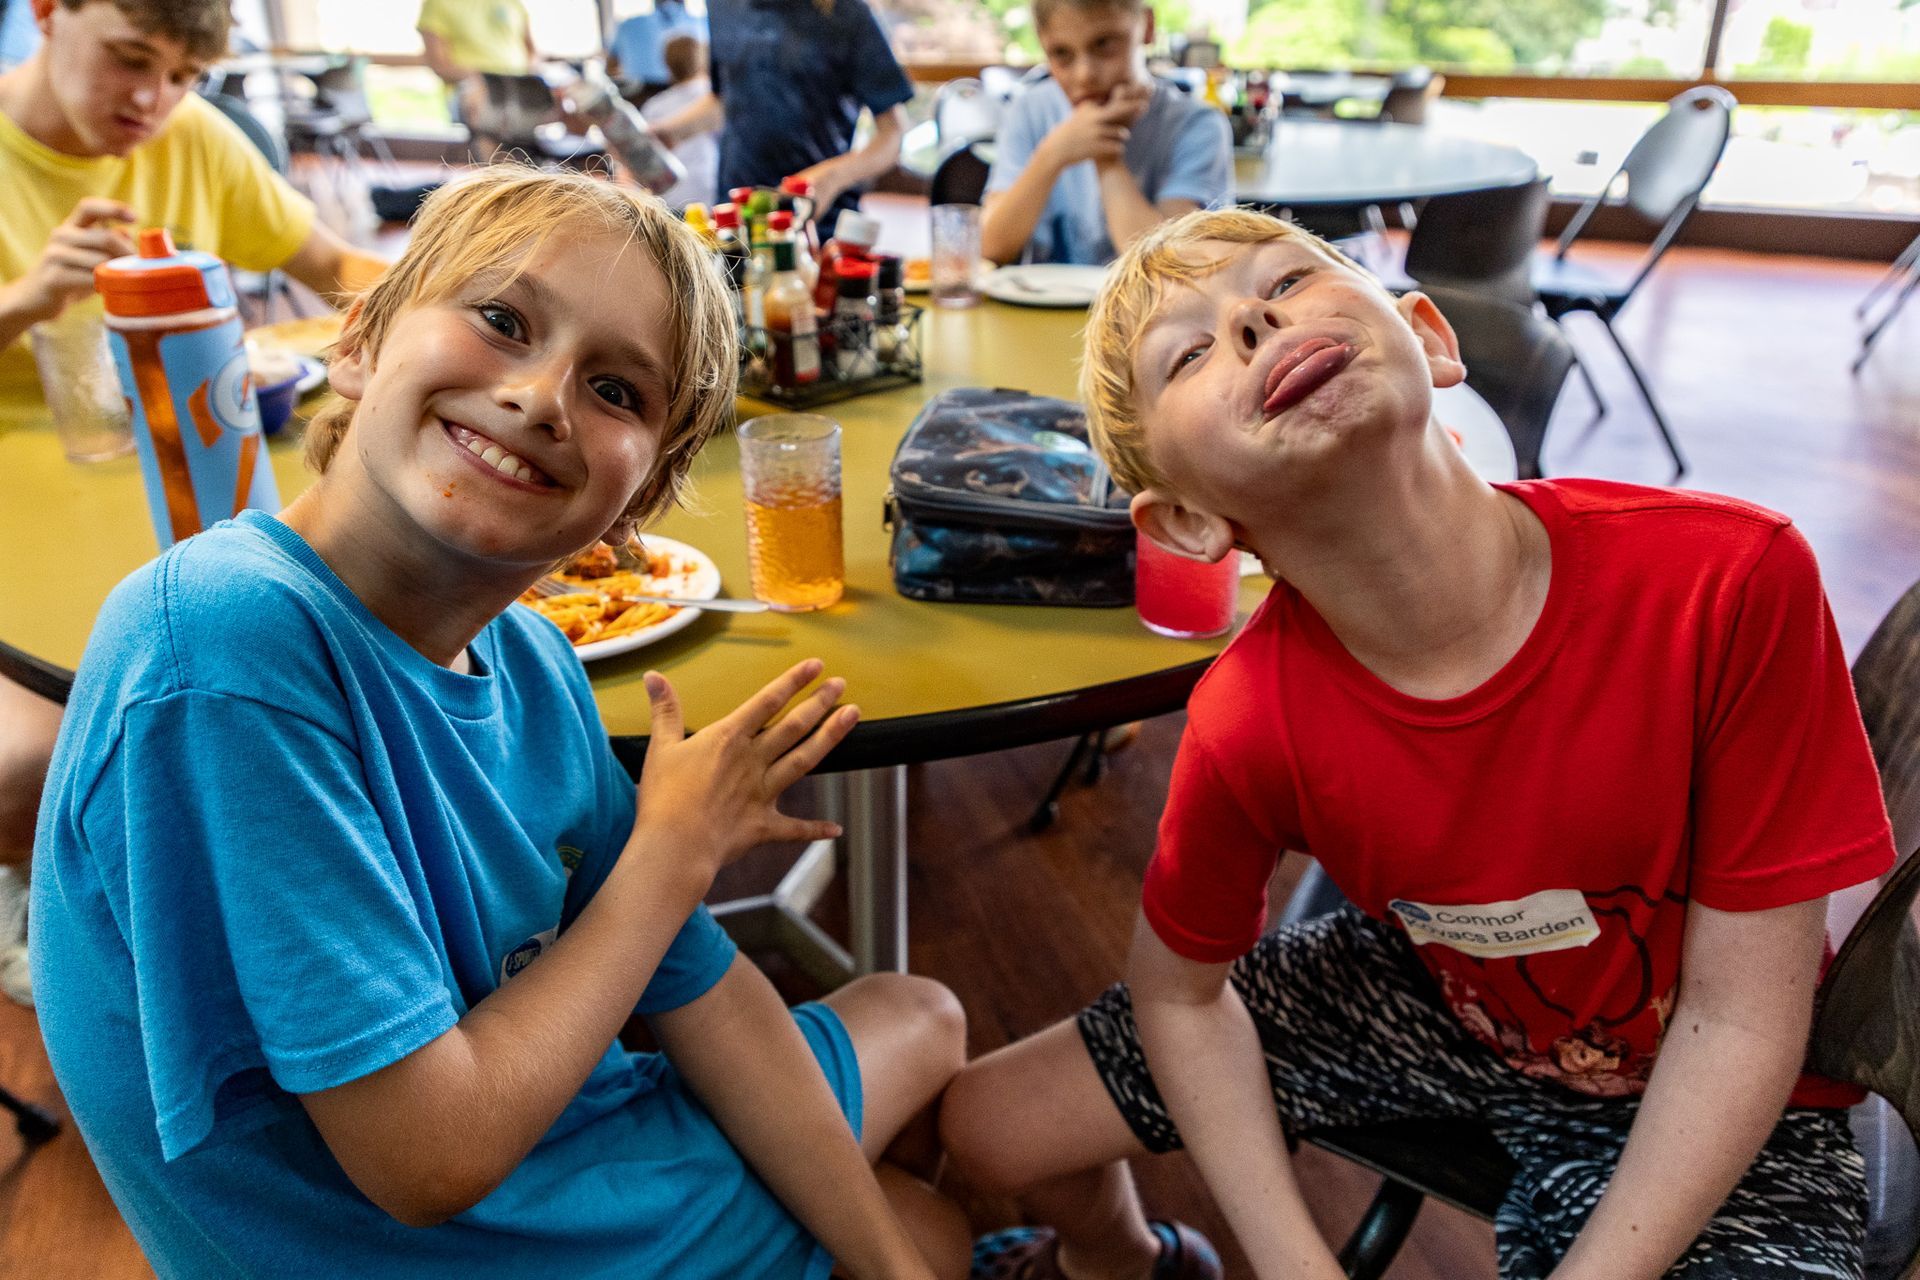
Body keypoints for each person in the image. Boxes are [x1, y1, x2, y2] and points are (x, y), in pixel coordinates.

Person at [31, 166, 972, 1279]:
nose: (541, 395)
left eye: (619, 390)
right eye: (502, 320)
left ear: (636, 503)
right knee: (930, 1210)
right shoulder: (225, 648)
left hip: (564, 1157)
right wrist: (672, 853)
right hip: (443, 1234)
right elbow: (426, 1160)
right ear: (362, 341)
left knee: (922, 1029)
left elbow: (699, 986)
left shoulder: (532, 658)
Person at [939, 206, 1897, 1280]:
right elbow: (1175, 991)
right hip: (1442, 991)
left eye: (1287, 281)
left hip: (1717, 1073)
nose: (1254, 318)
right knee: (985, 1120)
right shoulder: (1250, 717)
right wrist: (1298, 1261)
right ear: (1187, 525)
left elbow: (1738, 1018)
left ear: (1430, 338)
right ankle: (1129, 1258)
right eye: (1192, 351)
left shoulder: (1728, 581)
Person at [0, 0, 385, 1004]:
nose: (152, 99)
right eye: (130, 58)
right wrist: (28, 299)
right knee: (30, 760)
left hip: (176, 498)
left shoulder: (194, 139)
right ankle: (46, 883)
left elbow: (337, 268)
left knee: (319, 671)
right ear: (47, 12)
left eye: (182, 75)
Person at [980, 0, 1231, 267]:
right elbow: (989, 247)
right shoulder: (1029, 110)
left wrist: (1105, 155)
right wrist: (1052, 154)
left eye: (1104, 44)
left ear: (1147, 27)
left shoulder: (1198, 125)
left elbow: (1168, 267)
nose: (1085, 75)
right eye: (1062, 53)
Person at [647, 0, 913, 237]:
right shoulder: (721, 6)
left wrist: (832, 178)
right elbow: (726, 99)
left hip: (816, 223)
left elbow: (893, 132)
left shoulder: (848, 13)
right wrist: (669, 133)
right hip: (736, 217)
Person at [417, 0, 535, 155]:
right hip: (472, 89)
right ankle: (496, 170)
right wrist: (481, 79)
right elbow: (438, 64)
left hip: (521, 86)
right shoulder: (438, 3)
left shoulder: (513, 4)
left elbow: (532, 52)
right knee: (482, 102)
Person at [640, 35, 718, 213]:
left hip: (669, 198)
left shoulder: (653, 106)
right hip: (710, 192)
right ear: (702, 59)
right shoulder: (711, 97)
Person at [607, 0, 705, 105]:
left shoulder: (627, 25)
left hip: (637, 95)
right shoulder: (698, 23)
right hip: (683, 92)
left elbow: (610, 66)